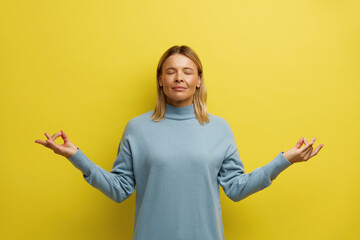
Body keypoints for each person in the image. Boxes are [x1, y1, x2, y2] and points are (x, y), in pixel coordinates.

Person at [35, 45, 324, 240]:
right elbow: (120, 189)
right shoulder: (137, 128)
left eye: (188, 71)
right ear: (160, 79)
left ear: (199, 80)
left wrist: (284, 160)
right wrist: (76, 156)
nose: (179, 78)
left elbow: (236, 189)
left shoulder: (219, 128)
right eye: (170, 71)